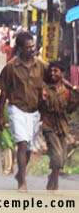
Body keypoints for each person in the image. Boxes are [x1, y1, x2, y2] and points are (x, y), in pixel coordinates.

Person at [0, 31, 47, 192]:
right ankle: (22, 182)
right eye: (28, 47)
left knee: (30, 146)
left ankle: (21, 172)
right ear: (19, 48)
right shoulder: (11, 67)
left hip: (34, 111)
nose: (32, 49)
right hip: (16, 109)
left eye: (33, 46)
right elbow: (3, 92)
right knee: (22, 143)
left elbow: (55, 77)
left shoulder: (41, 65)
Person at [40, 61, 79, 191]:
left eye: (56, 71)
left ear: (62, 73)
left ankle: (51, 178)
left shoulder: (67, 91)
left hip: (62, 126)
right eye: (51, 71)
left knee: (62, 158)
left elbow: (70, 109)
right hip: (49, 125)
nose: (53, 74)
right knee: (56, 156)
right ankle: (55, 185)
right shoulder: (45, 89)